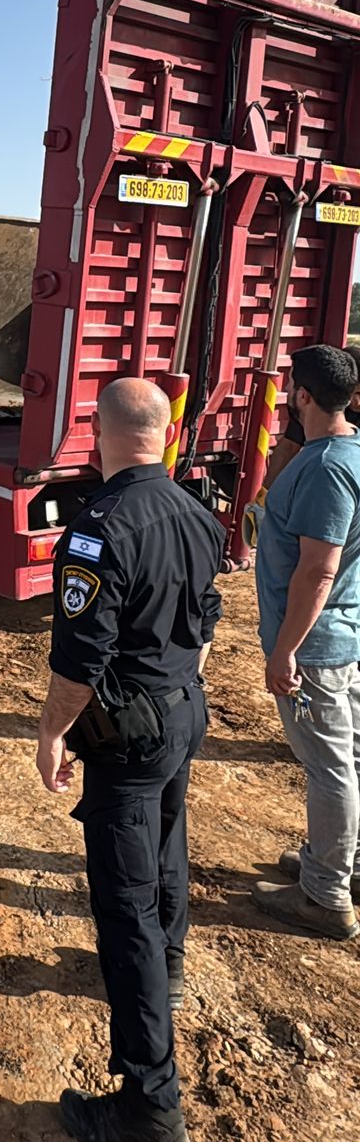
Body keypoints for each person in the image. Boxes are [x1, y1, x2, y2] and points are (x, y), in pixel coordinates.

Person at [36, 377, 223, 1142]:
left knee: (124, 907)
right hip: (185, 710)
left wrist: (51, 733)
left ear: (99, 432)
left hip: (131, 733)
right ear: (166, 433)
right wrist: (179, 690)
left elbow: (80, 661)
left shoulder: (97, 530)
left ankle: (150, 1108)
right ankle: (171, 971)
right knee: (170, 849)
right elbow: (207, 625)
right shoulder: (197, 512)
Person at [252, 342, 360, 940]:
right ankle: (337, 861)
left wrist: (286, 648)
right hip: (343, 633)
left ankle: (324, 896)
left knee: (329, 769)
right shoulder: (350, 452)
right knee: (349, 759)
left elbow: (318, 568)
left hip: (316, 647)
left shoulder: (325, 470)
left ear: (302, 397)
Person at [262, 343, 360, 495]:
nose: (358, 403)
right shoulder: (311, 403)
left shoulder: (333, 467)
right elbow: (289, 446)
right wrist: (264, 495)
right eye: (356, 394)